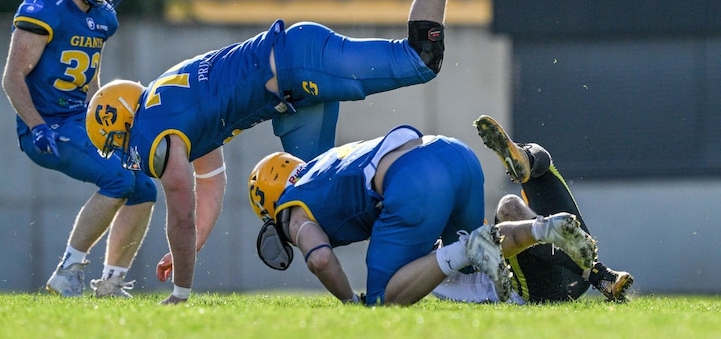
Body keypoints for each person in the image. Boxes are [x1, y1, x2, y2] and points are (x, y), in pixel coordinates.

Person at [89, 0, 511, 304]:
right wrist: (192, 246)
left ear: (123, 120)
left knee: (419, 59)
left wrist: (181, 289)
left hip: (294, 64)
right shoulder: (172, 112)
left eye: (116, 140)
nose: (125, 153)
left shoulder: (150, 130)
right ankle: (424, 261)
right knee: (317, 193)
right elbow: (209, 186)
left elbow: (180, 209)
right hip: (289, 94)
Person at [241, 125, 597, 306]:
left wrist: (350, 302)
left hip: (413, 182)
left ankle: (469, 249)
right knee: (478, 253)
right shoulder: (325, 163)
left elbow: (319, 259)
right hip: (452, 152)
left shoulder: (292, 206)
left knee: (384, 298)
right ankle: (541, 227)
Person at [1, 0, 157, 298]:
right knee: (118, 181)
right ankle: (68, 272)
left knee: (144, 187)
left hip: (77, 119)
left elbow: (91, 77)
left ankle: (112, 282)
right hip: (45, 125)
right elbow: (12, 78)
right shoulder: (45, 7)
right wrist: (36, 126)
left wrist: (101, 116)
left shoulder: (103, 18)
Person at [432, 115, 634, 303]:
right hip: (531, 289)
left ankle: (525, 159)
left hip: (570, 268)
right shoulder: (423, 257)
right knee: (509, 208)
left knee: (540, 168)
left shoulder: (431, 226)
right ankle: (597, 273)